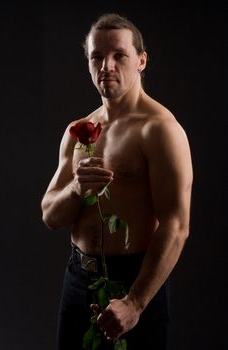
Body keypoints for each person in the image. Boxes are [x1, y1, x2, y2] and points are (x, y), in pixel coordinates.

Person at [41, 12, 193, 350]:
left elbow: (177, 225)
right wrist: (78, 189)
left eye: (119, 55)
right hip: (77, 278)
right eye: (97, 56)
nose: (106, 65)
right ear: (88, 63)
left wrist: (135, 303)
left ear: (141, 61)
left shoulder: (159, 129)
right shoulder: (78, 130)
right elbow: (51, 216)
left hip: (135, 280)